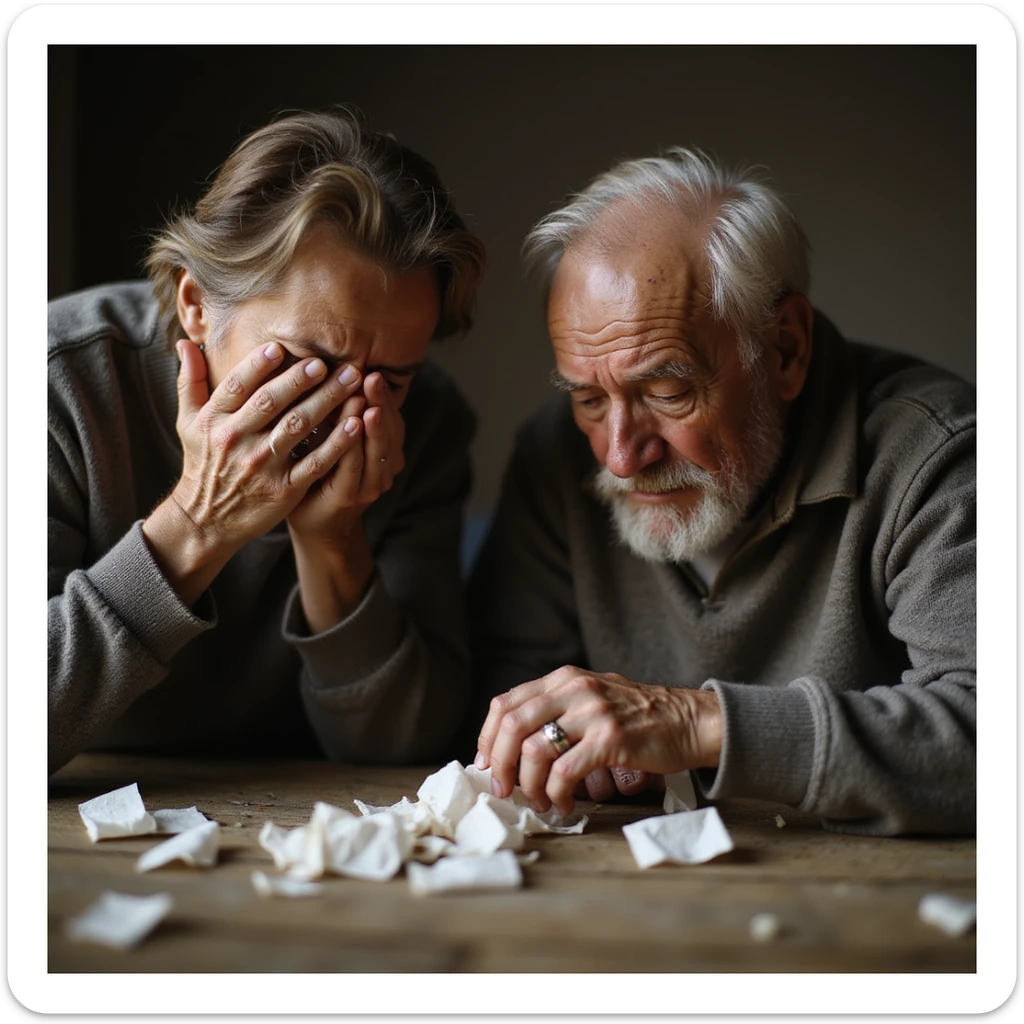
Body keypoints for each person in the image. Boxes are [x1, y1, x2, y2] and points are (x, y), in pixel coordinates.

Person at [469, 147, 975, 836]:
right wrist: (565, 750)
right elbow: (502, 688)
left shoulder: (939, 456)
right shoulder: (555, 456)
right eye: (588, 399)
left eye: (668, 391)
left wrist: (699, 724)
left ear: (785, 348)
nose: (619, 458)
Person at [48, 108, 486, 775]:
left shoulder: (424, 423)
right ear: (196, 305)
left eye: (389, 379)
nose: (342, 414)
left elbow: (407, 748)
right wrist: (200, 520)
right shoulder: (61, 385)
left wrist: (336, 542)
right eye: (304, 366)